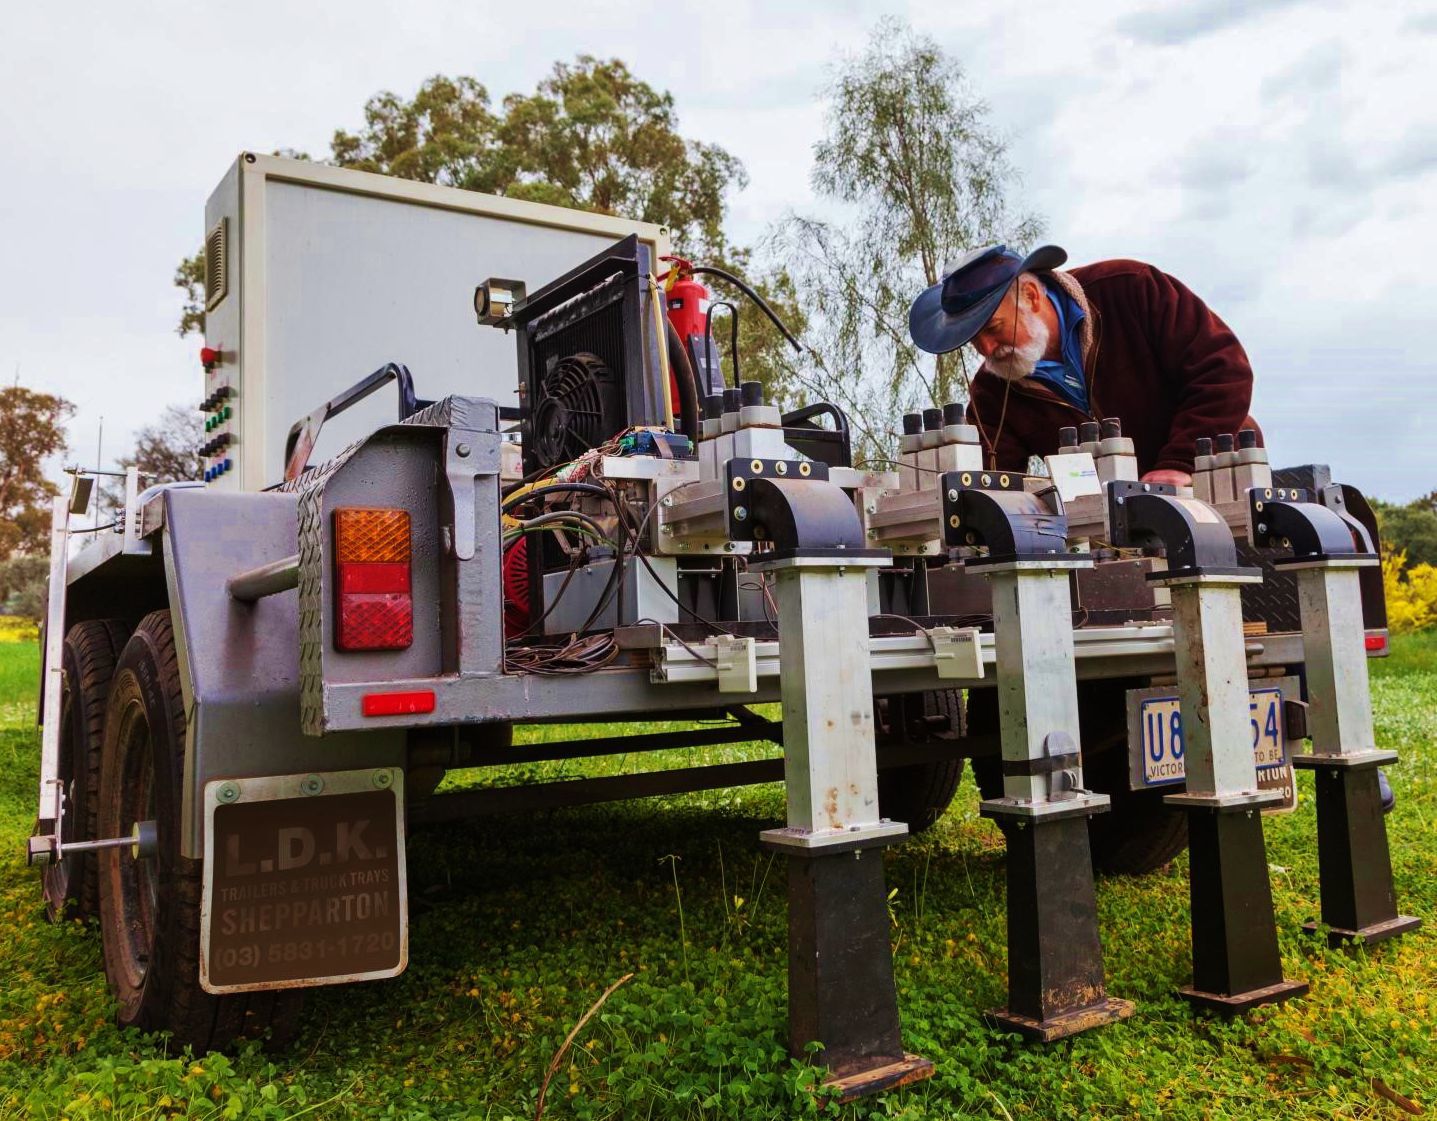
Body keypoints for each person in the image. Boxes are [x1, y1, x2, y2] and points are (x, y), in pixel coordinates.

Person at [908, 244, 1260, 484]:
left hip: (1216, 480)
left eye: (994, 329)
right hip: (1113, 535)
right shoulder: (992, 391)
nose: (986, 349)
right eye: (973, 340)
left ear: (1031, 296)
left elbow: (1223, 371)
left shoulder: (1130, 289)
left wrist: (1179, 464)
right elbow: (993, 476)